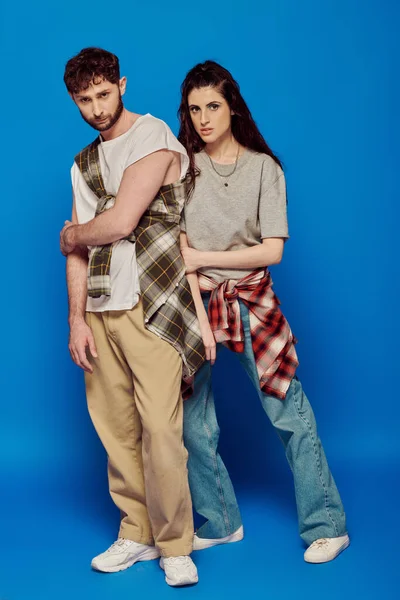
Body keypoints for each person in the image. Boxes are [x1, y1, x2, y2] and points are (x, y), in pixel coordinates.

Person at [177, 60, 350, 564]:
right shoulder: (183, 168)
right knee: (191, 419)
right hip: (198, 303)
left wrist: (205, 262)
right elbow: (180, 250)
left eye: (213, 106)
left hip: (251, 301)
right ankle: (222, 520)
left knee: (290, 414)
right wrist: (197, 303)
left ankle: (328, 524)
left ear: (232, 106)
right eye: (195, 110)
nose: (204, 118)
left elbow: (271, 251)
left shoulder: (263, 168)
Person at [60, 47, 205, 586]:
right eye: (84, 99)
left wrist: (73, 231)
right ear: (74, 100)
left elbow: (117, 223)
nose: (97, 108)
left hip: (153, 301)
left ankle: (175, 544)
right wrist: (76, 320)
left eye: (104, 94)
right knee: (116, 430)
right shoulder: (82, 164)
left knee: (162, 432)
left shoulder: (153, 135)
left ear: (122, 84)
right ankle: (136, 532)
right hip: (100, 309)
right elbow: (78, 255)